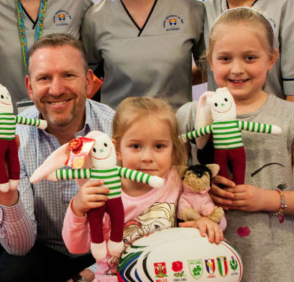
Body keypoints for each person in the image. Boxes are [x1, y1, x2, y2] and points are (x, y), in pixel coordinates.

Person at [176, 8, 294, 281]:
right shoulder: (190, 114)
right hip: (203, 263)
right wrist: (198, 185)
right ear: (210, 62)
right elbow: (167, 184)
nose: (237, 69)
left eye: (250, 57)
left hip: (271, 266)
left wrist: (267, 199)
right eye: (225, 58)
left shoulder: (293, 117)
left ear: (271, 58)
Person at [0, 34, 115, 282]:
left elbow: (137, 220)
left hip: (105, 250)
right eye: (44, 78)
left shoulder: (115, 129)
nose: (57, 89)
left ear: (89, 83)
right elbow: (20, 248)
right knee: (10, 273)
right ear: (29, 87)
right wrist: (4, 188)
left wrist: (90, 274)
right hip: (41, 250)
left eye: (68, 75)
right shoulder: (15, 137)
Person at [63, 97, 224, 281]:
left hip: (167, 274)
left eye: (159, 146)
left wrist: (204, 224)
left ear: (172, 149)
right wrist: (77, 208)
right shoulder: (101, 190)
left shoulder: (177, 181)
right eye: (136, 146)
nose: (147, 157)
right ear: (117, 149)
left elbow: (215, 221)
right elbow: (76, 247)